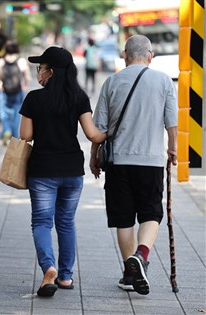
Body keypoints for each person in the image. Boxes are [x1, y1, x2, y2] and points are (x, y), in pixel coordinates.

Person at [89, 35, 178, 295]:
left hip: (118, 162)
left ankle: (129, 275)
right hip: (150, 162)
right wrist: (172, 149)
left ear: (125, 55)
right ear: (150, 56)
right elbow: (171, 122)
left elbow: (100, 129)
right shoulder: (163, 81)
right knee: (151, 213)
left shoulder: (111, 82)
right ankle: (141, 255)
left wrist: (94, 156)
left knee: (123, 218)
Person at [19, 47, 106, 297]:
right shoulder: (78, 97)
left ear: (51, 71)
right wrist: (111, 132)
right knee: (66, 222)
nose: (38, 72)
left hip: (43, 169)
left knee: (42, 222)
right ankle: (66, 277)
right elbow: (92, 134)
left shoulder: (34, 99)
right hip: (71, 170)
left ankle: (49, 267)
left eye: (40, 68)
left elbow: (26, 136)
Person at [0, 40, 31, 145]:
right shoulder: (21, 61)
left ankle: (6, 130)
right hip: (18, 91)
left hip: (4, 91)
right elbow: (27, 78)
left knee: (3, 113)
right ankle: (15, 137)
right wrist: (23, 86)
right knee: (17, 114)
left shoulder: (1, 62)